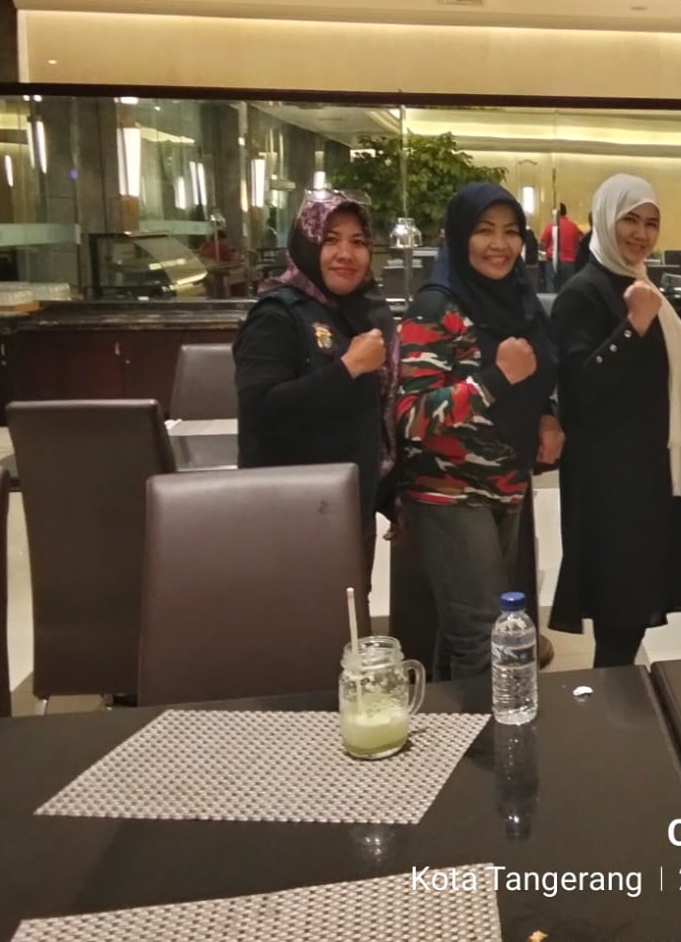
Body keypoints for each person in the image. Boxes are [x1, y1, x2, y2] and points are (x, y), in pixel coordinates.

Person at [396, 183, 563, 678]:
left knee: (465, 634)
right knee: (484, 639)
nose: (499, 244)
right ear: (458, 237)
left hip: (505, 485)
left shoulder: (518, 300)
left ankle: (453, 723)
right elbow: (412, 414)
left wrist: (548, 413)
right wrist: (494, 379)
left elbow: (538, 373)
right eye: (484, 230)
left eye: (511, 232)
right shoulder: (435, 306)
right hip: (450, 490)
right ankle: (494, 730)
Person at [549, 175, 681, 667]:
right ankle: (610, 702)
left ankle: (620, 702)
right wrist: (633, 326)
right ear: (603, 219)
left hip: (648, 471)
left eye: (651, 223)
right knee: (618, 608)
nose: (641, 233)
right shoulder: (584, 293)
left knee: (634, 605)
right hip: (608, 480)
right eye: (630, 220)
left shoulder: (640, 284)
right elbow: (580, 388)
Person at [234, 191, 398, 603]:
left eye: (358, 241)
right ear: (307, 244)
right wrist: (348, 367)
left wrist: (389, 495)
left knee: (347, 622)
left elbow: (370, 417)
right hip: (288, 511)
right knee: (297, 626)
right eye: (330, 239)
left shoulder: (362, 311)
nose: (346, 254)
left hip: (347, 506)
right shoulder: (277, 314)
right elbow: (259, 411)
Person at [540, 202, 582, 290]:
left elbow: (543, 244)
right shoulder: (574, 227)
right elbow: (578, 244)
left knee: (551, 288)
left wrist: (543, 257)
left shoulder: (551, 226)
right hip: (570, 263)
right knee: (569, 289)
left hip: (553, 262)